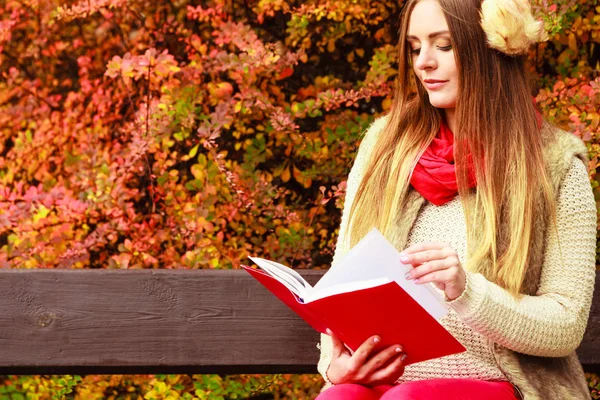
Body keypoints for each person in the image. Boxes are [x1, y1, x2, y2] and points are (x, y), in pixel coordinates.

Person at [315, 0, 597, 399]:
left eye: (443, 46)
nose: (424, 63)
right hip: (389, 383)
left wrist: (466, 290)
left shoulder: (555, 166)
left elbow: (565, 326)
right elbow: (341, 288)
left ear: (490, 52)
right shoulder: (383, 146)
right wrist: (337, 366)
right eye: (415, 48)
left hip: (508, 387)